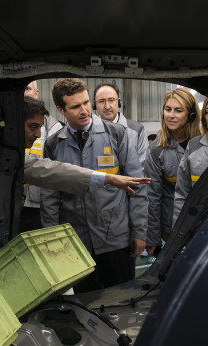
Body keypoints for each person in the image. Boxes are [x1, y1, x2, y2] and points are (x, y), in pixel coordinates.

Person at [0, 96, 149, 262]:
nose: (37, 134)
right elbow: (47, 170)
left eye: (40, 127)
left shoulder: (2, 131)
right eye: (32, 127)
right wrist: (106, 178)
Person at [41, 78, 148, 293]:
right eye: (75, 106)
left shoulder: (117, 135)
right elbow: (50, 197)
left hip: (116, 239)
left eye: (86, 103)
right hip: (76, 242)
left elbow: (137, 186)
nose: (84, 110)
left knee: (121, 301)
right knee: (85, 304)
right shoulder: (54, 145)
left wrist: (139, 231)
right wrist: (52, 240)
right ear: (61, 110)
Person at [145, 88, 201, 255]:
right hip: (172, 227)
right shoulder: (156, 150)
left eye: (178, 110)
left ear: (191, 115)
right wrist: (153, 237)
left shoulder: (206, 143)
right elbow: (152, 196)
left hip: (204, 223)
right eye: (168, 109)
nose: (171, 115)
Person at [173, 97, 208, 226]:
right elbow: (182, 194)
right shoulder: (194, 146)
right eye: (207, 112)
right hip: (198, 225)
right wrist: (177, 232)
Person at [21, 80, 65, 233]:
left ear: (36, 93)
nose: (24, 92)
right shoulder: (5, 124)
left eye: (27, 88)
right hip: (12, 204)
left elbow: (56, 171)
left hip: (39, 206)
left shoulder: (54, 127)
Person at [93, 83, 148, 166]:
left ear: (118, 102)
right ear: (94, 105)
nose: (107, 106)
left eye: (111, 100)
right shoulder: (88, 131)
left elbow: (143, 166)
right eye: (101, 101)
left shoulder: (137, 130)